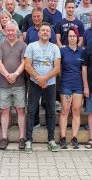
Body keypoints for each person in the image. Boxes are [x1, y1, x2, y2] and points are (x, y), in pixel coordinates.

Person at [24, 22, 61, 154]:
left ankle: (51, 140)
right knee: (31, 110)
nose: (45, 32)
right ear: (38, 33)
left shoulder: (55, 47)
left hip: (50, 84)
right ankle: (28, 140)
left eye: (47, 31)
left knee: (51, 111)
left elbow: (56, 67)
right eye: (43, 30)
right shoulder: (31, 46)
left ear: (50, 34)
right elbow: (27, 65)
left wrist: (44, 79)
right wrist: (39, 79)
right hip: (35, 83)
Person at [0, 20, 27, 150]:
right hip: (4, 84)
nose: (10, 33)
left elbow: (24, 62)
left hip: (19, 83)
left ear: (17, 31)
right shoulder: (1, 45)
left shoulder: (23, 45)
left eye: (13, 30)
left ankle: (22, 138)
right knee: (4, 110)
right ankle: (4, 137)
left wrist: (15, 74)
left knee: (20, 110)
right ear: (5, 31)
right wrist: (8, 75)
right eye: (8, 30)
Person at [58, 28, 84, 150]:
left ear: (77, 37)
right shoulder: (62, 50)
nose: (72, 38)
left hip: (78, 84)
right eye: (70, 36)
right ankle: (62, 137)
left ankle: (74, 137)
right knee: (65, 110)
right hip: (66, 84)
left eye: (74, 36)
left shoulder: (82, 51)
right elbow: (58, 68)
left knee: (76, 111)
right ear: (67, 37)